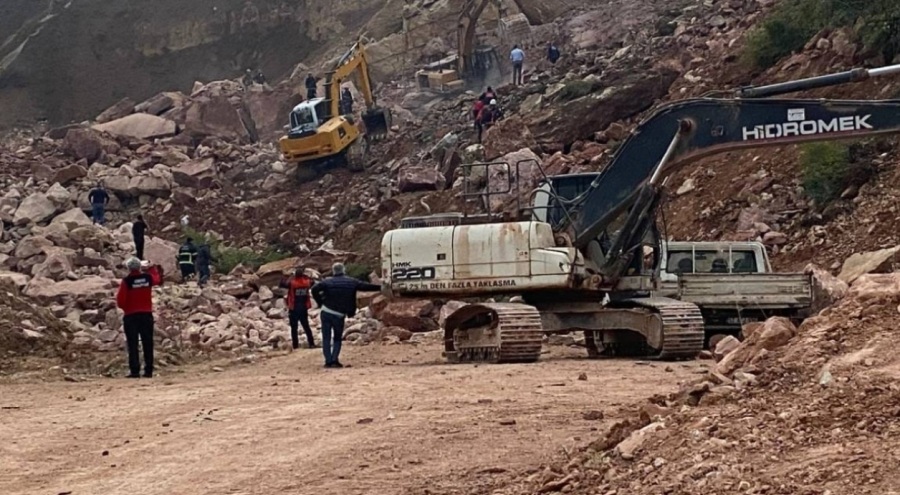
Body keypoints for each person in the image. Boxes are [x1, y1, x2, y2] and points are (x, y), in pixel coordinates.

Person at [311, 263, 381, 368]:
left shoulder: (327, 281)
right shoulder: (351, 281)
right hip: (339, 314)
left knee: (326, 337)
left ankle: (328, 361)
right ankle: (335, 360)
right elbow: (366, 287)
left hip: (326, 312)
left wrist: (320, 302)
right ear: (344, 270)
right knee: (337, 338)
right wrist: (381, 287)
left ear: (333, 271)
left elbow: (314, 289)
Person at [116, 256, 162, 378]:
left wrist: (127, 308)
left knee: (132, 344)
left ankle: (134, 371)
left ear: (128, 268)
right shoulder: (147, 278)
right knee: (148, 343)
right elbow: (157, 280)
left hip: (131, 316)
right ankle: (148, 370)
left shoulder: (127, 281)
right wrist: (152, 268)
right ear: (140, 267)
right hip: (146, 314)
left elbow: (120, 301)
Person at [279, 267, 316, 350]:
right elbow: (313, 281)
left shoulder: (292, 283)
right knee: (306, 326)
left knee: (294, 328)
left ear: (295, 275)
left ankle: (295, 346)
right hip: (303, 307)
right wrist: (306, 276)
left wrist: (287, 276)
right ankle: (312, 343)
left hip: (294, 308)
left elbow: (282, 284)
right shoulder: (307, 282)